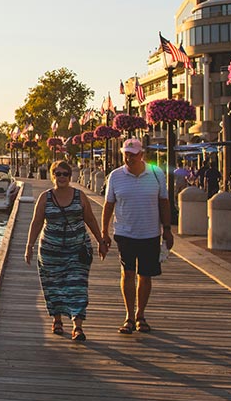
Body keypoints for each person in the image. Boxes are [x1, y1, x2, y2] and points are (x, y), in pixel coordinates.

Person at [25, 160, 107, 341]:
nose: (62, 177)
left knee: (77, 285)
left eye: (65, 174)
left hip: (77, 249)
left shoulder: (80, 196)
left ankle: (77, 326)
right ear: (53, 176)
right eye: (58, 174)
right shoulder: (45, 198)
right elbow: (37, 221)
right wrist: (29, 245)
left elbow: (91, 219)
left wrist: (101, 241)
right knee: (53, 285)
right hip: (50, 251)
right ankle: (57, 320)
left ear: (70, 176)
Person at [101, 138, 172, 335]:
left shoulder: (156, 174)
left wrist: (167, 229)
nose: (129, 158)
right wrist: (104, 232)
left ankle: (141, 314)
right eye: (126, 154)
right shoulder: (115, 176)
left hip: (150, 233)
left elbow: (164, 202)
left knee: (145, 275)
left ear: (142, 154)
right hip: (125, 232)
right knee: (128, 273)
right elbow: (108, 205)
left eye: (132, 154)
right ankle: (129, 316)